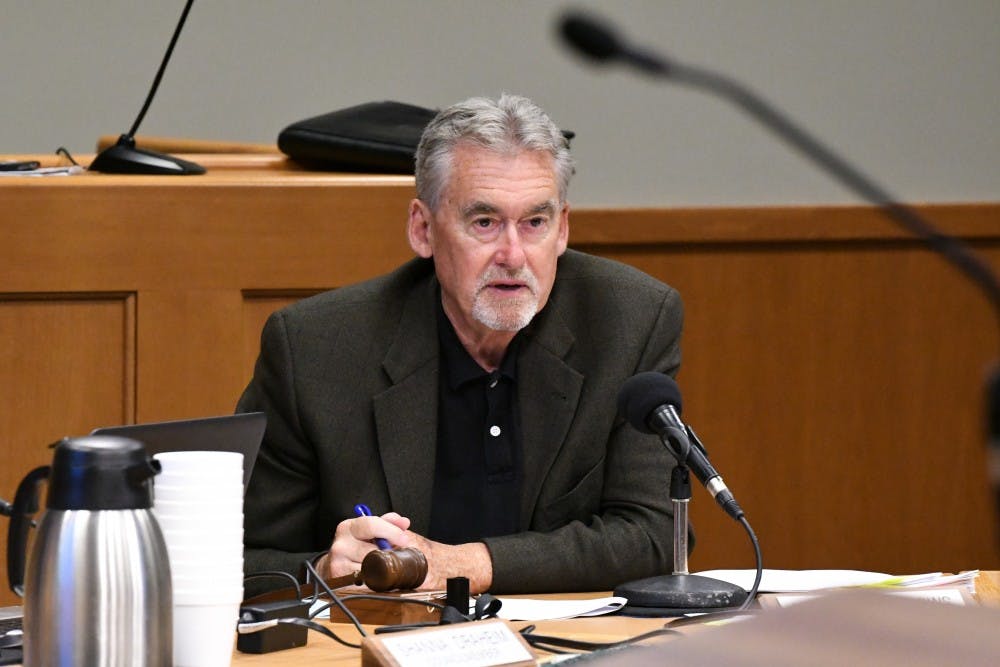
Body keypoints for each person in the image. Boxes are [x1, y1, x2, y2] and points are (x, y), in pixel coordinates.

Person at [238, 93, 685, 596]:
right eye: (484, 222)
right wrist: (327, 566)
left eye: (534, 223)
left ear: (562, 229)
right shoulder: (316, 347)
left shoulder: (629, 320)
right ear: (423, 229)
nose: (513, 255)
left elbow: (656, 536)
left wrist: (463, 565)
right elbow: (240, 558)